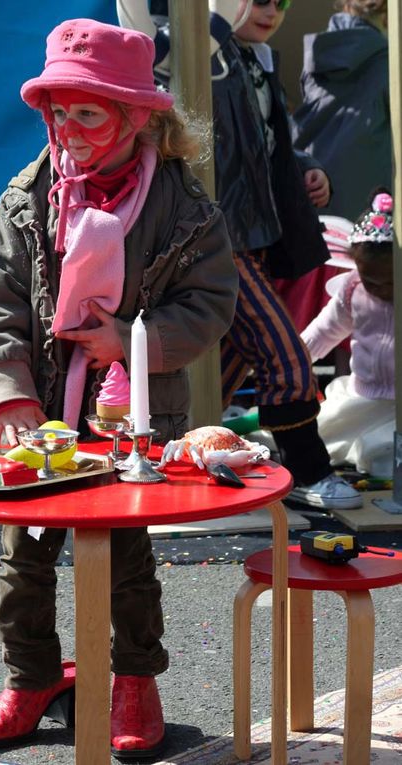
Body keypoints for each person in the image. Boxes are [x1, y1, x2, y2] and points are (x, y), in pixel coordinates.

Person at [0, 17, 238, 760]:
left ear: (136, 116)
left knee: (124, 553)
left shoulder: (182, 208)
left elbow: (211, 301)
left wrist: (130, 342)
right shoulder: (28, 197)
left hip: (131, 414)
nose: (70, 128)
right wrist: (10, 391)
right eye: (58, 111)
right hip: (41, 411)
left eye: (88, 112)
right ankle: (32, 675)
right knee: (23, 548)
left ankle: (134, 680)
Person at [118, 0, 363, 510]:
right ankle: (308, 470)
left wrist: (305, 166)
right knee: (283, 354)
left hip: (250, 232)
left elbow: (261, 141)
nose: (270, 10)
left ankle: (183, 457)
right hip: (213, 234)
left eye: (280, 1)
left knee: (224, 365)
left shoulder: (251, 58)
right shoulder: (181, 42)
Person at [301, 189, 395, 479]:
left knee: (381, 452)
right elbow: (323, 331)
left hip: (397, 408)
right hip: (361, 397)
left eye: (390, 281)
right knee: (324, 435)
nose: (380, 289)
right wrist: (295, 360)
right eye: (371, 281)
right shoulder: (354, 289)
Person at [291, 0, 390, 222]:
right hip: (367, 204)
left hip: (313, 186)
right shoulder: (387, 61)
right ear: (386, 15)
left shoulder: (320, 51)